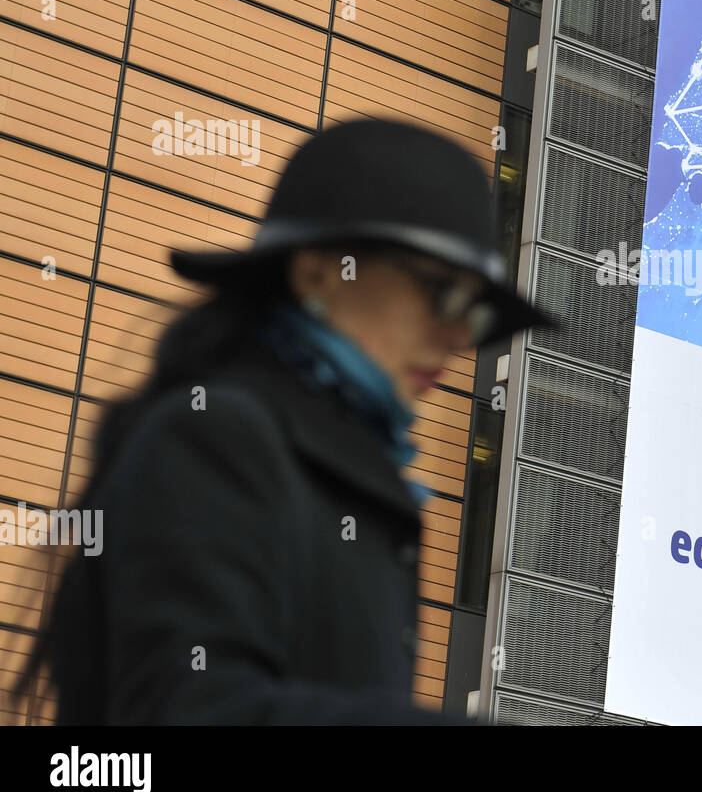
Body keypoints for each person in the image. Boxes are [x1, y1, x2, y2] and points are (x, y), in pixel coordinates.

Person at [10, 118, 554, 724]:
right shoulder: (215, 435)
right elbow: (189, 711)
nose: (459, 338)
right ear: (318, 272)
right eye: (444, 295)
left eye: (477, 317)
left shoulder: (362, 482)